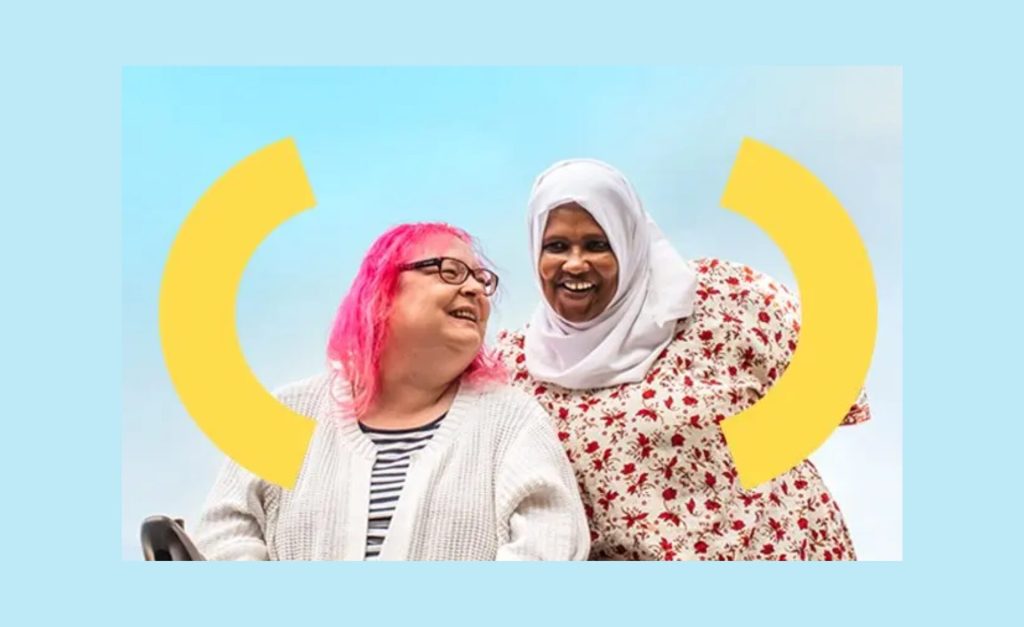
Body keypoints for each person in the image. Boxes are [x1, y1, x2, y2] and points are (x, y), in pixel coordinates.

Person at [496, 159, 870, 560]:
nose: (574, 263)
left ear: (630, 242)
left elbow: (834, 388)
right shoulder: (513, 368)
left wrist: (758, 460)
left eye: (596, 244)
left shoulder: (722, 300)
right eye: (556, 246)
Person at [194, 222, 589, 560]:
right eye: (450, 271)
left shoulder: (512, 421)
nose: (475, 290)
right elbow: (221, 534)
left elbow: (547, 547)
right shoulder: (290, 411)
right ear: (382, 291)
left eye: (481, 280)